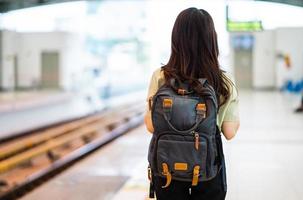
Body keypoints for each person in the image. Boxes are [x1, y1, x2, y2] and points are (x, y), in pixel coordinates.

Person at [144, 8, 240, 200]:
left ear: (176, 39)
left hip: (166, 169)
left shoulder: (161, 76)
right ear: (212, 40)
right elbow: (229, 133)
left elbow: (150, 125)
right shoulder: (223, 81)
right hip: (207, 168)